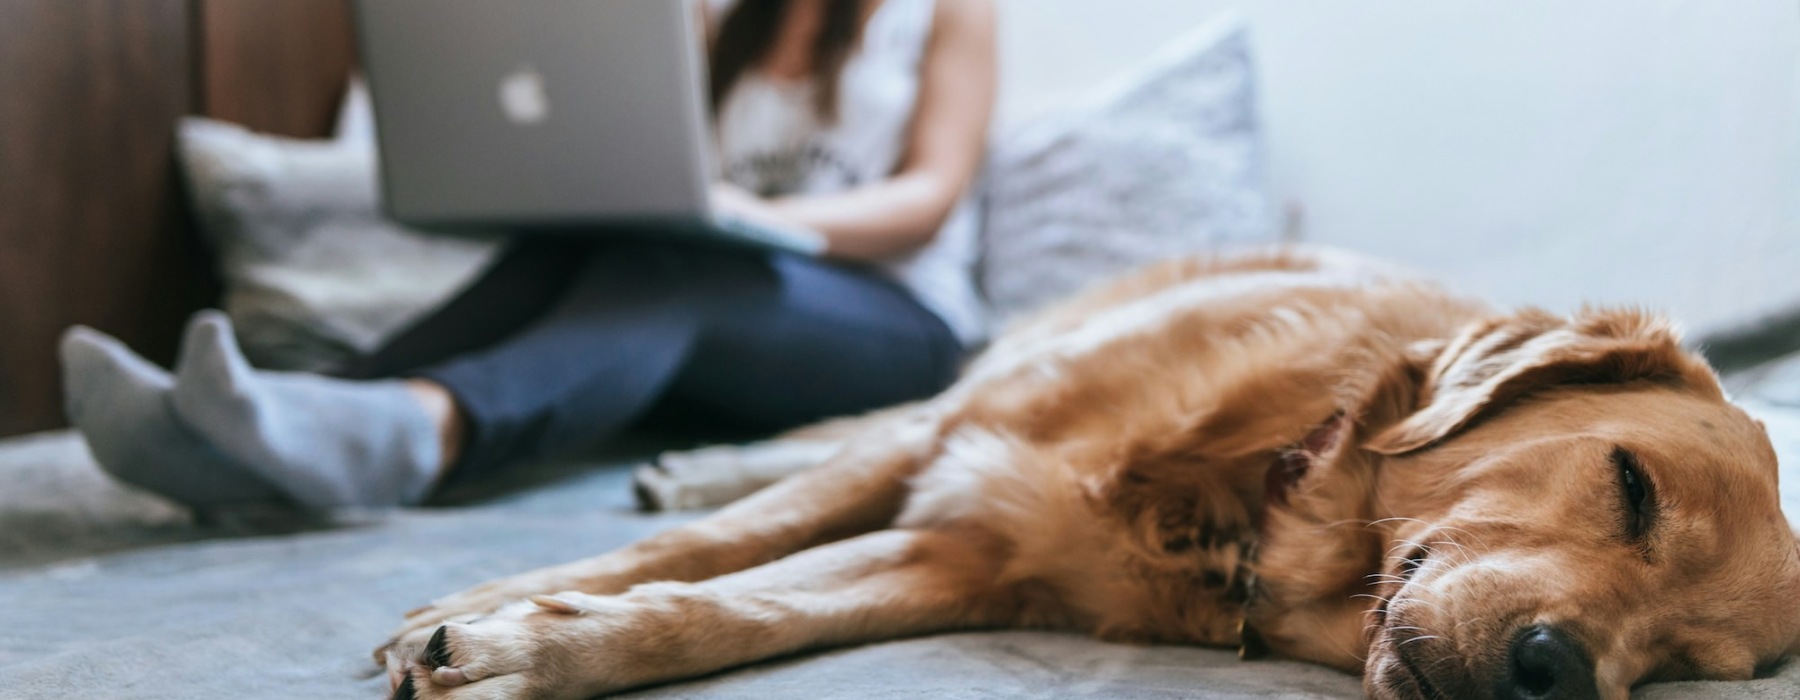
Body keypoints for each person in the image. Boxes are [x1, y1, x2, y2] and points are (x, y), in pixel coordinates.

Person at [59, 0, 997, 509]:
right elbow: (670, 168)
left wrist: (760, 213)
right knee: (604, 244)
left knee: (681, 272)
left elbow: (930, 197)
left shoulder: (946, 11)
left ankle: (420, 432)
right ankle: (284, 420)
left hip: (895, 325)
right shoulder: (723, 19)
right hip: (734, 297)